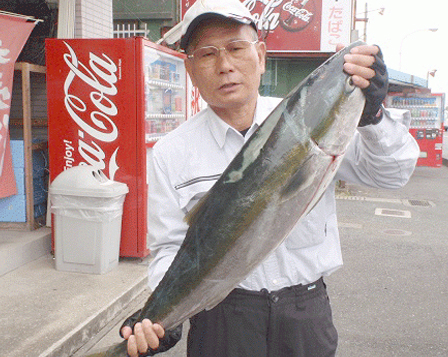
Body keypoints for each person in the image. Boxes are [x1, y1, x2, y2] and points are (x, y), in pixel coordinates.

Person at [120, 0, 420, 356]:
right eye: (207, 54)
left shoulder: (305, 119)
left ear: (260, 56)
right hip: (222, 322)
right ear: (190, 69)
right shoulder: (172, 151)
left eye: (236, 48)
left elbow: (392, 173)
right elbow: (171, 247)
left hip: (305, 315)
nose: (225, 66)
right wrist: (162, 318)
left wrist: (371, 117)